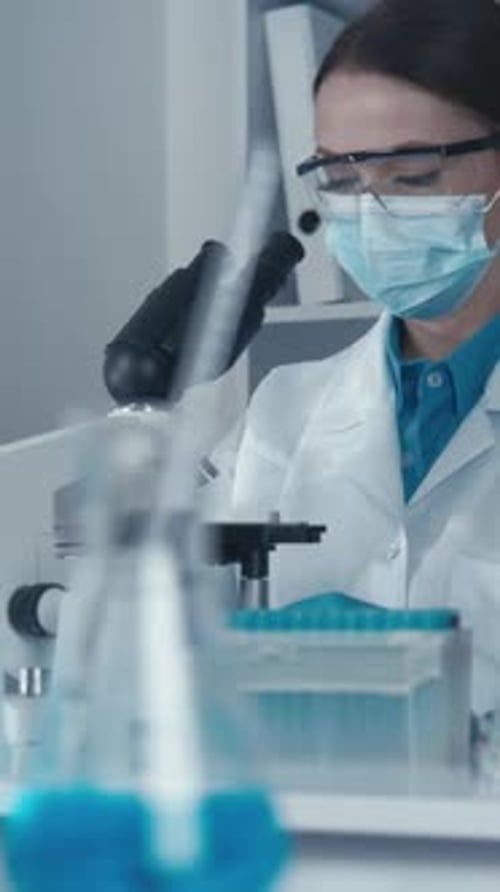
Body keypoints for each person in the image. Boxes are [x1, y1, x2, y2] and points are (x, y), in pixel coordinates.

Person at [205, 0, 500, 715]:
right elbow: (186, 649)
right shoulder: (284, 410)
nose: (368, 212)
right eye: (339, 179)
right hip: (317, 816)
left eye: (414, 173)